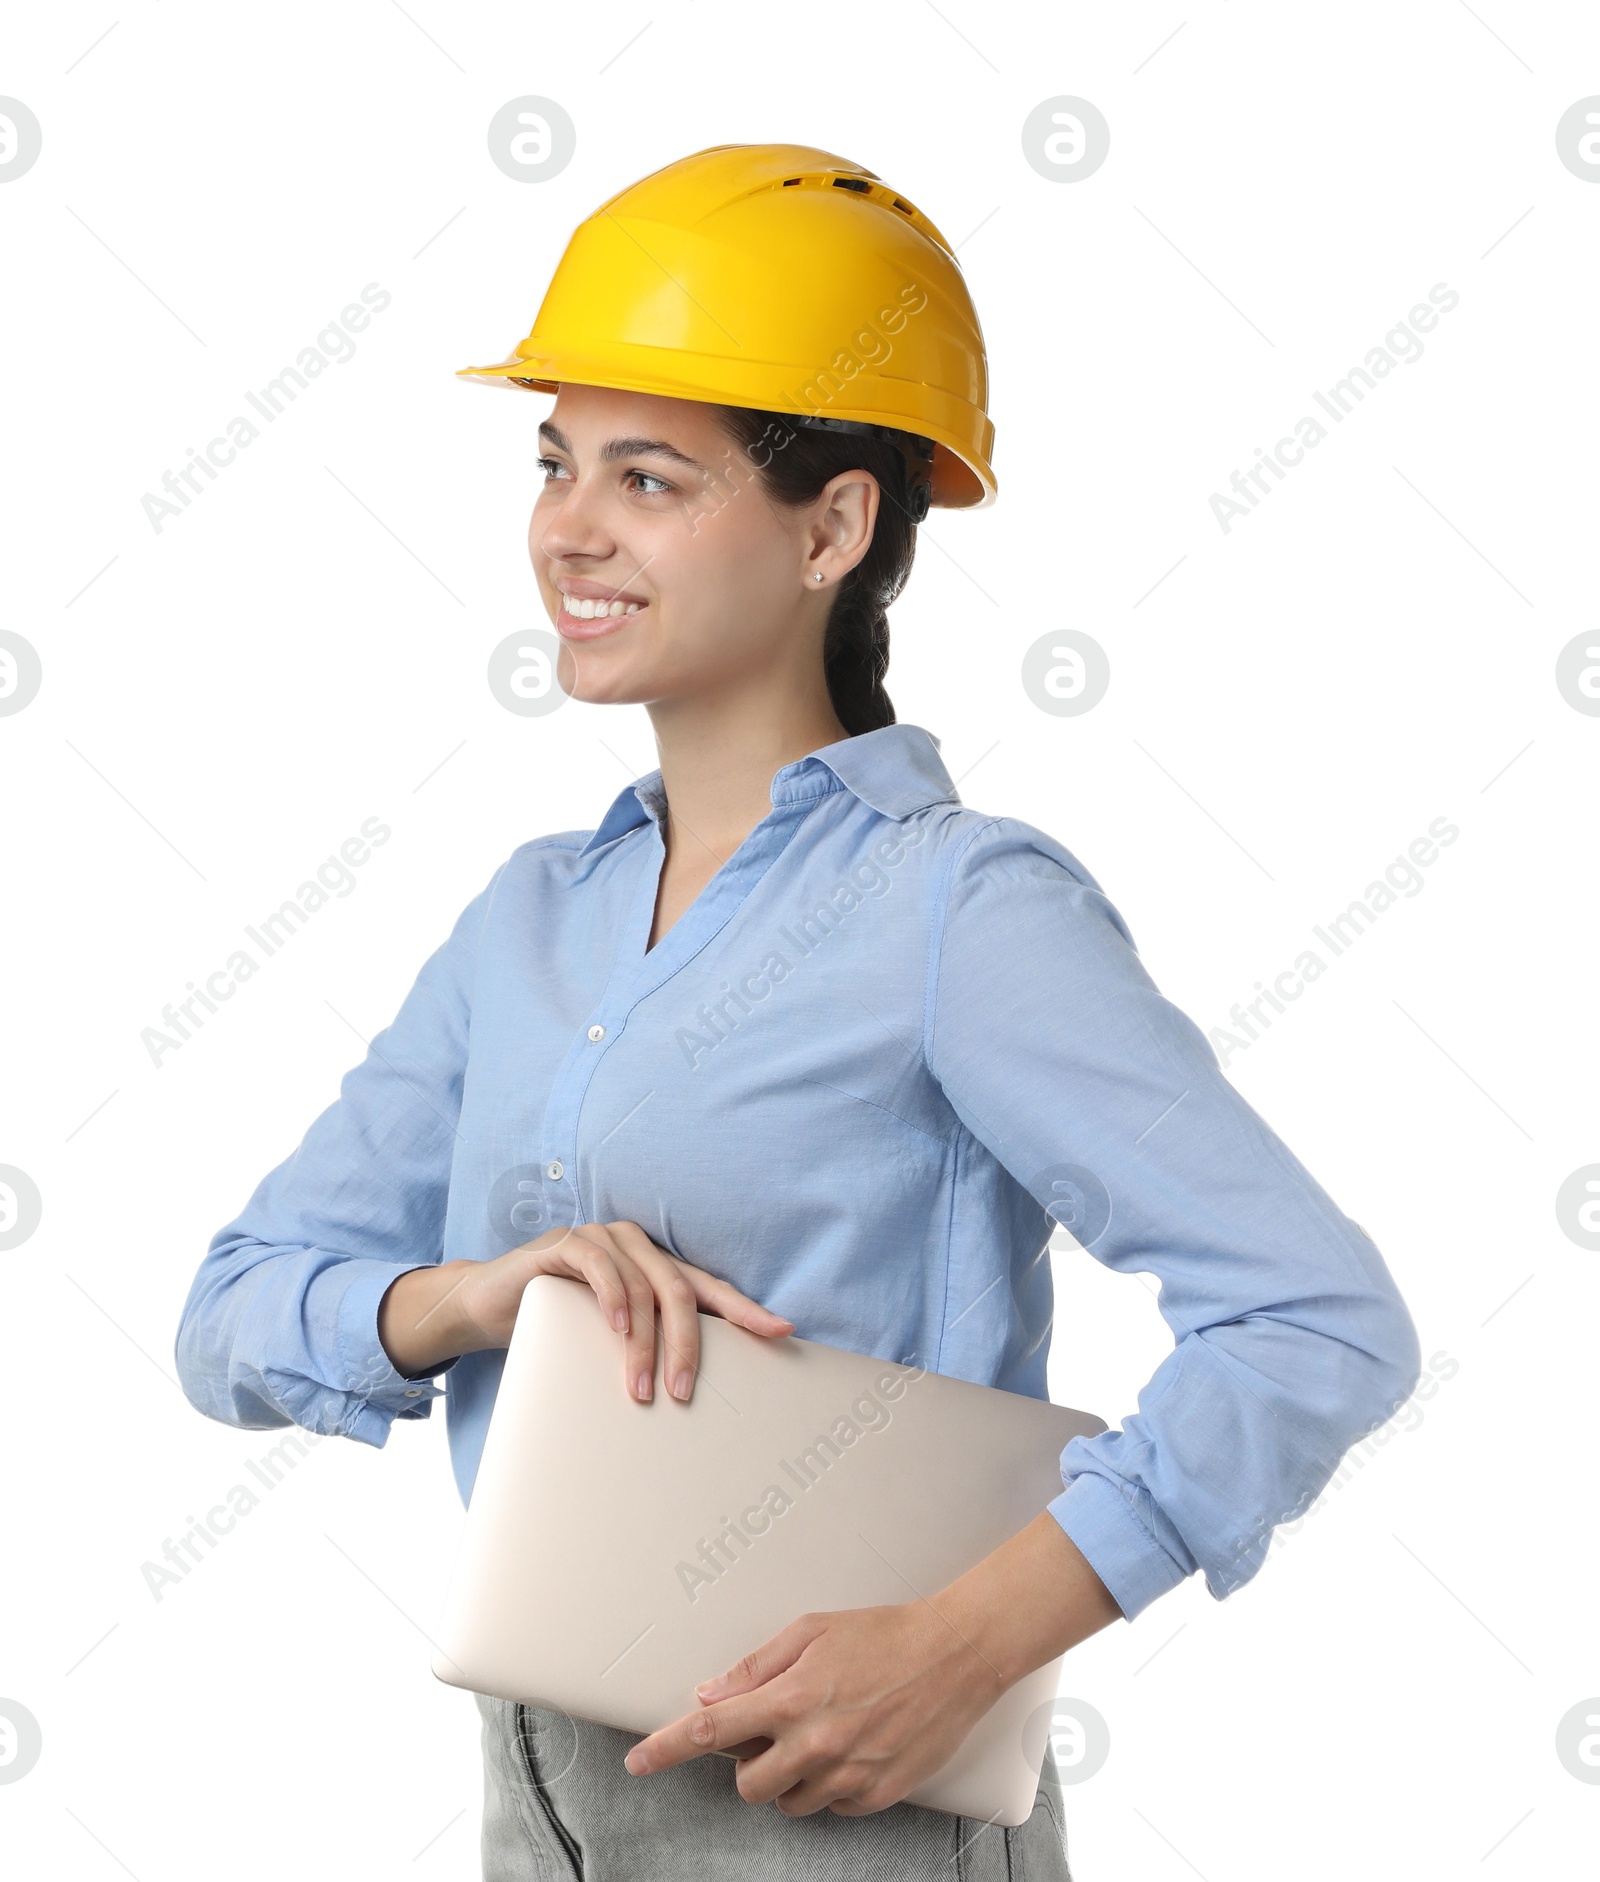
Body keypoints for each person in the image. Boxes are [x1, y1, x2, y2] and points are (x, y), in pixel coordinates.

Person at [175, 143, 1421, 1881]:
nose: (569, 530)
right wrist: (470, 1295)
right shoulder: (530, 918)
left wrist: (969, 1644)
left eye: (652, 477)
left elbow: (1317, 1321)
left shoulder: (956, 910)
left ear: (833, 525)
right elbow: (227, 1316)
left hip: (854, 1823)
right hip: (542, 1818)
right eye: (555, 464)